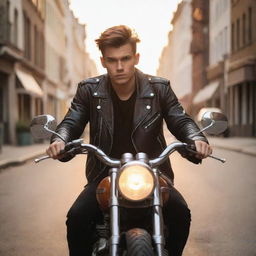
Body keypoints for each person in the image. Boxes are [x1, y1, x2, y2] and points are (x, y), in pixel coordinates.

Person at [46, 25, 212, 256]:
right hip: (104, 174)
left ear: (136, 57)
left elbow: (179, 119)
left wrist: (195, 138)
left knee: (180, 213)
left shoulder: (159, 88)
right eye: (112, 60)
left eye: (125, 58)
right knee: (77, 217)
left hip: (154, 174)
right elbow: (72, 121)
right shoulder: (88, 90)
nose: (120, 66)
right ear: (103, 61)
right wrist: (61, 139)